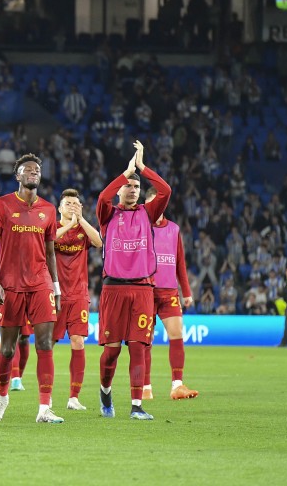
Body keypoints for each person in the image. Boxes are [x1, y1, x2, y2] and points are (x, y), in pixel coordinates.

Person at [0, 153, 63, 425]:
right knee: (7, 350)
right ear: (18, 176)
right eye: (27, 170)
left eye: (36, 170)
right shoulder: (1, 204)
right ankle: (2, 397)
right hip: (11, 284)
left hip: (41, 283)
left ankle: (44, 408)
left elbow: (50, 253)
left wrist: (57, 288)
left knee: (45, 343)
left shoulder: (48, 210)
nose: (33, 173)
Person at [96, 140, 170, 421]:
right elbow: (103, 197)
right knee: (112, 353)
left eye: (137, 187)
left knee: (138, 348)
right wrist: (125, 172)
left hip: (142, 289)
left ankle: (137, 405)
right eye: (129, 186)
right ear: (120, 190)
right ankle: (105, 391)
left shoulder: (147, 213)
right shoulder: (108, 215)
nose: (133, 190)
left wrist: (141, 168)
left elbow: (165, 190)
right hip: (113, 289)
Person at [142, 187, 199, 401]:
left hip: (168, 292)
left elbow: (180, 262)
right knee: (145, 341)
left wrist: (186, 292)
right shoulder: (140, 226)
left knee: (176, 335)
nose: (155, 207)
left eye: (159, 203)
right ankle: (145, 387)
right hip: (145, 291)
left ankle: (177, 385)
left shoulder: (174, 229)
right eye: (150, 204)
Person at [52, 189, 103, 411]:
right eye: (68, 203)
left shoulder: (83, 229)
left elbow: (99, 242)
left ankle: (74, 397)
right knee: (47, 344)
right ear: (60, 208)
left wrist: (80, 220)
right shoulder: (53, 227)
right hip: (53, 294)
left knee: (78, 341)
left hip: (79, 294)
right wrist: (70, 224)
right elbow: (49, 241)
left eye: (76, 203)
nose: (72, 206)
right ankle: (46, 395)